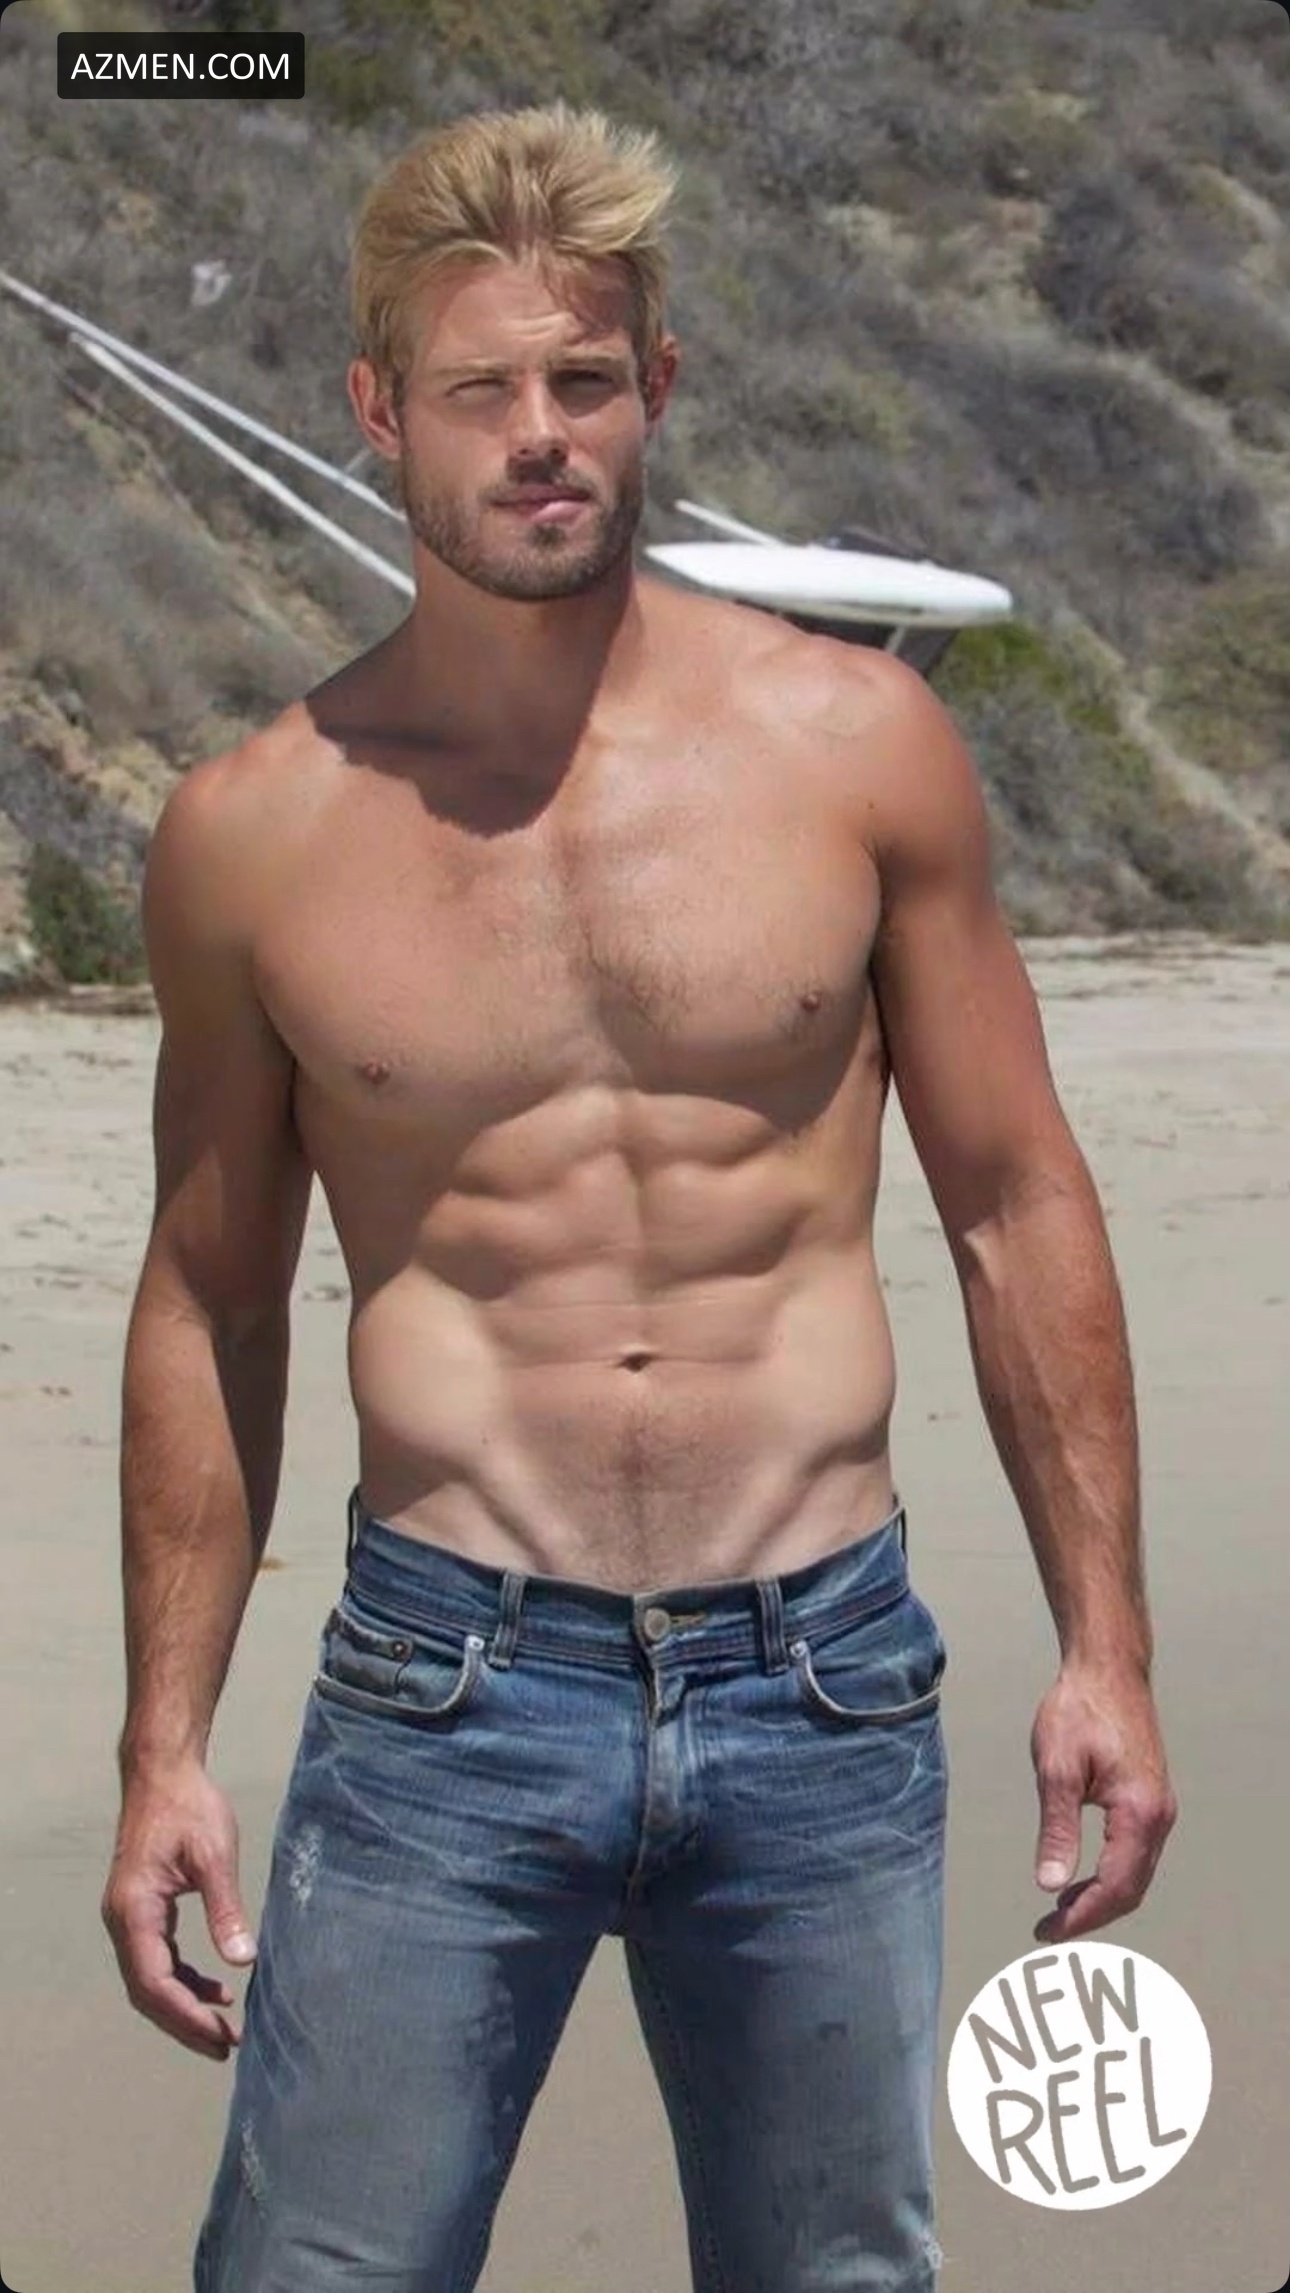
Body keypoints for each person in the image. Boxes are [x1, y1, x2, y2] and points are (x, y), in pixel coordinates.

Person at [100, 99, 1177, 2293]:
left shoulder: (854, 747)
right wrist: (162, 1746)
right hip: (443, 1685)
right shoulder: (253, 833)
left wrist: (1107, 1648)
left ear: (658, 386)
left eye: (584, 379)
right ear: (379, 407)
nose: (540, 435)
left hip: (823, 1674)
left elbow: (1011, 1200)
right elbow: (210, 1293)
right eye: (479, 388)